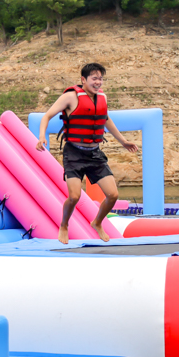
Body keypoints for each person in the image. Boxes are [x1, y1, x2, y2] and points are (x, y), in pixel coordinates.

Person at [36, 63, 140, 244]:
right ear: (83, 80)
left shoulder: (102, 98)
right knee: (74, 196)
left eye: (100, 78)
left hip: (94, 154)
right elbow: (46, 116)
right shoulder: (70, 97)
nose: (98, 82)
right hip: (74, 154)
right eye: (94, 78)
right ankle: (64, 225)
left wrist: (123, 141)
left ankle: (97, 222)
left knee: (113, 195)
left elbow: (105, 120)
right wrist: (41, 136)